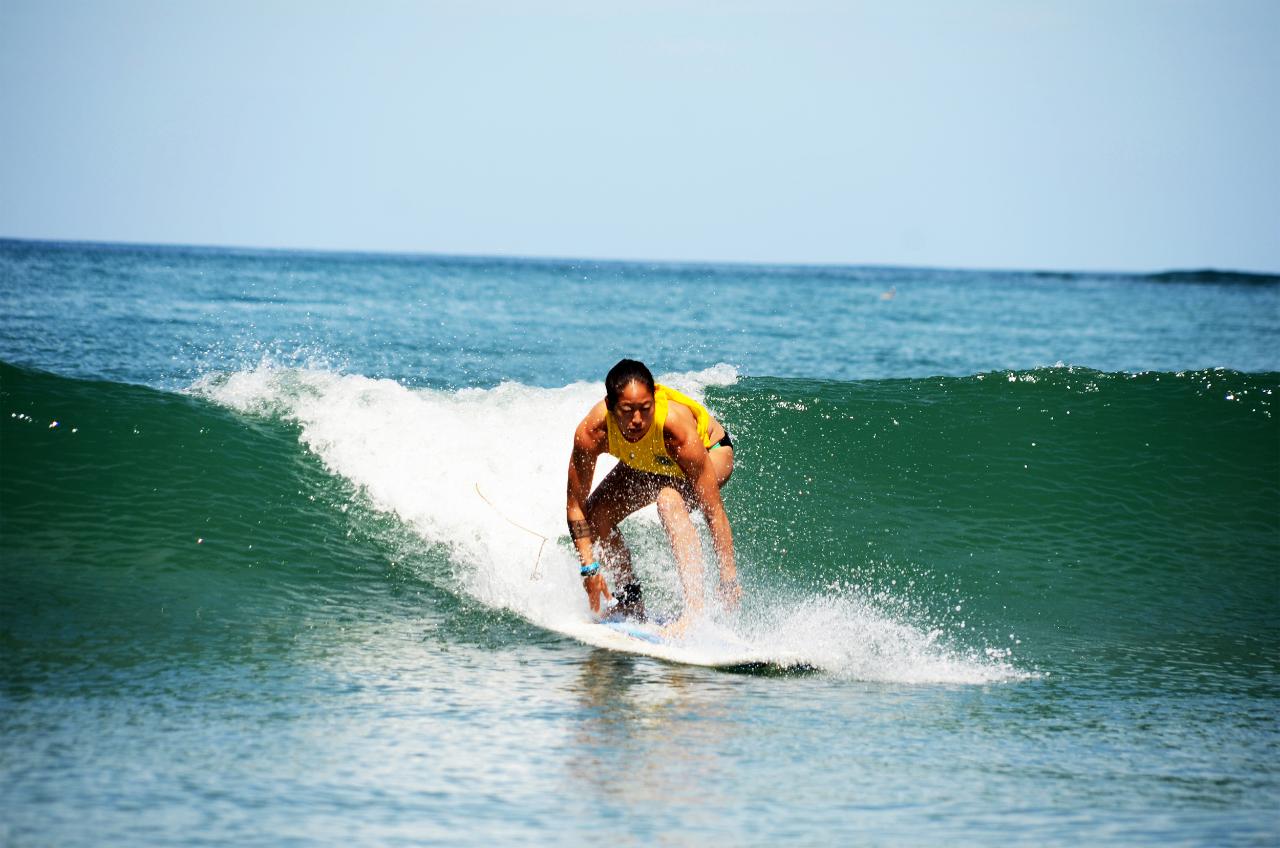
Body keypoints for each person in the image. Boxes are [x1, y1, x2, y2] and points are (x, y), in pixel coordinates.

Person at [565, 359, 740, 632]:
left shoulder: (676, 430)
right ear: (611, 407)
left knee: (669, 500)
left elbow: (714, 511)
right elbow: (575, 507)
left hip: (711, 451)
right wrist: (589, 567)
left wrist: (728, 576)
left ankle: (693, 615)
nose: (637, 420)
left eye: (645, 409)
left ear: (655, 401)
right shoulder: (592, 433)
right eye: (627, 410)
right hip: (650, 461)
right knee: (596, 513)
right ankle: (629, 601)